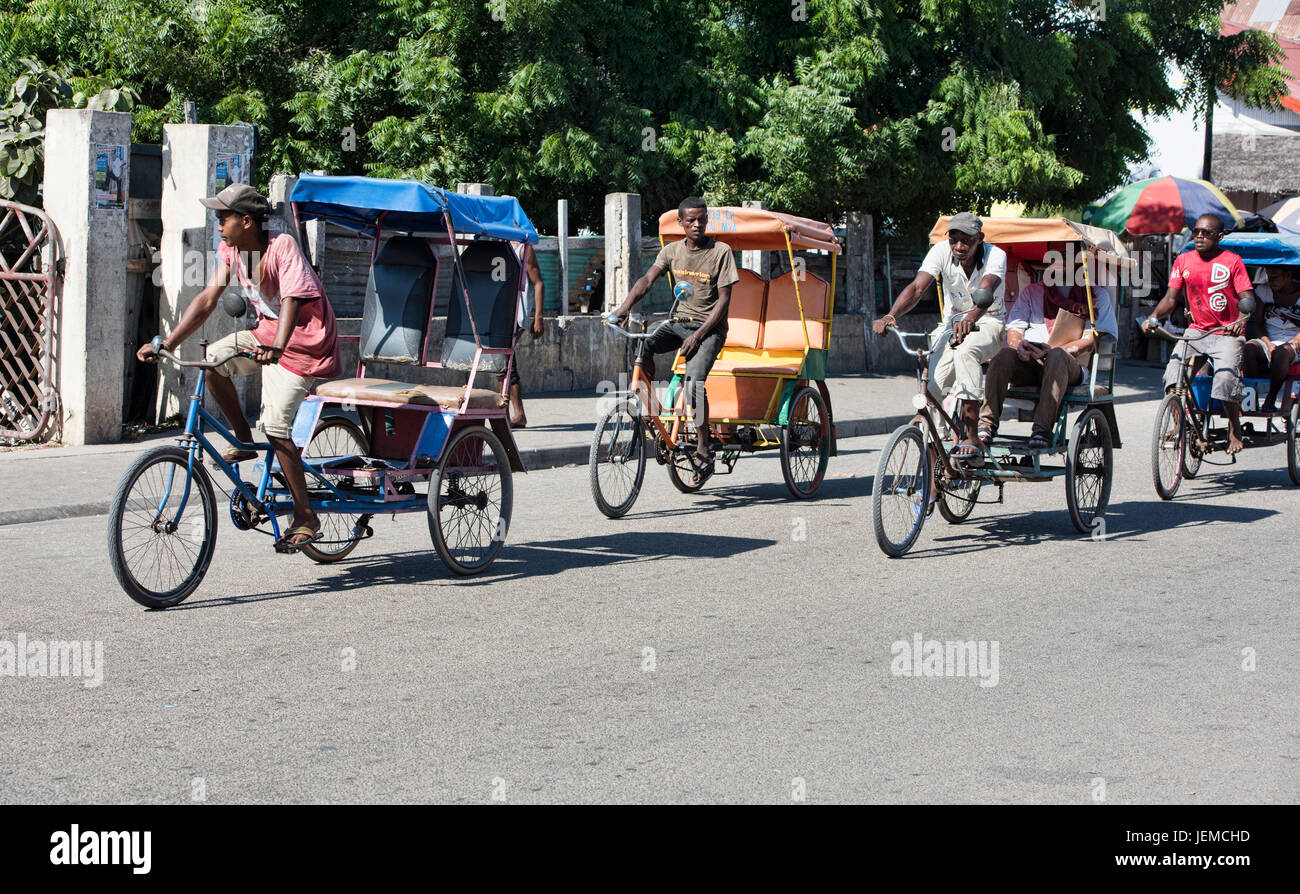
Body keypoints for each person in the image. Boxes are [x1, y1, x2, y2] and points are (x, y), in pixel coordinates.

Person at [137, 183, 341, 551]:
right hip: (266, 335)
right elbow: (207, 299)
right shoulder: (230, 250)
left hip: (304, 345)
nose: (218, 225)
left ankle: (305, 514)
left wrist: (277, 348)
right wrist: (167, 343)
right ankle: (244, 441)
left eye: (223, 217)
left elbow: (293, 300)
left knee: (277, 426)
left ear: (246, 221)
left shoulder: (282, 247)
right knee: (212, 362)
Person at [608, 196, 737, 475]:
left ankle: (704, 446)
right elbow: (646, 280)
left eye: (702, 219)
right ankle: (653, 410)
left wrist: (699, 336)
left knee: (693, 387)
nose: (697, 224)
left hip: (710, 329)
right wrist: (623, 308)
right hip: (678, 323)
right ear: (681, 222)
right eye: (691, 220)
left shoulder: (721, 252)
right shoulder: (672, 251)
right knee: (643, 349)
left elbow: (724, 301)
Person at [873, 212, 1007, 458]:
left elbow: (987, 288)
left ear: (980, 238)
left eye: (966, 240)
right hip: (951, 325)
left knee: (967, 352)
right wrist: (891, 315)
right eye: (954, 239)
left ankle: (971, 436)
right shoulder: (941, 251)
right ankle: (938, 450)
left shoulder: (996, 255)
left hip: (989, 321)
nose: (958, 247)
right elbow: (917, 287)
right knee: (932, 386)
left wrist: (970, 318)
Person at [1143, 214, 1256, 454]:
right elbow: (1170, 299)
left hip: (1226, 333)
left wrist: (1240, 319)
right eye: (1196, 232)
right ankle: (1179, 425)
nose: (1200, 237)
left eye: (1207, 233)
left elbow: (1247, 298)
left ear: (1220, 236)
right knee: (1172, 376)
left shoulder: (1233, 261)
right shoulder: (1183, 260)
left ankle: (1234, 427)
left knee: (1225, 381)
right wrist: (1154, 318)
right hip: (1196, 331)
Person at [978, 257, 1118, 449]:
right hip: (1030, 364)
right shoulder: (1032, 292)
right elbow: (1014, 329)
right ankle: (986, 426)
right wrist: (1019, 345)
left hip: (1070, 365)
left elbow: (1091, 339)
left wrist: (1056, 351)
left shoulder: (1095, 294)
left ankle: (1042, 430)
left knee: (1057, 356)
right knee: (1003, 356)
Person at [1243, 265, 1300, 412]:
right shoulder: (1264, 291)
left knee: (1281, 352)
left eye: (1275, 278)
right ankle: (1251, 398)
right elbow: (1259, 324)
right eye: (1268, 277)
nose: (1271, 281)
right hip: (1270, 339)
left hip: (1295, 342)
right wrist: (1268, 344)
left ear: (1288, 276)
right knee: (1248, 348)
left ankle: (1271, 398)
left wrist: (1294, 342)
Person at [506, 242, 545, 427]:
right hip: (500, 312)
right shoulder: (498, 244)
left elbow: (538, 282)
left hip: (516, 314)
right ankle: (510, 414)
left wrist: (538, 317)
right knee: (502, 364)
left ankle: (515, 414)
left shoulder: (524, 249)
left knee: (505, 362)